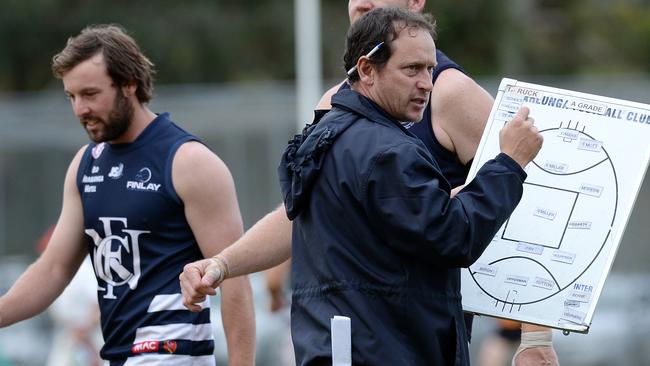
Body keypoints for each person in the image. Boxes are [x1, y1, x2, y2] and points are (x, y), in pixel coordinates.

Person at [182, 7, 543, 365]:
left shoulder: (449, 94)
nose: (426, 83)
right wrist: (224, 262)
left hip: (352, 338)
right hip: (386, 341)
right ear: (366, 69)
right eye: (412, 69)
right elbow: (304, 216)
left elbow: (536, 203)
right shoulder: (349, 122)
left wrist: (536, 335)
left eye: (428, 69)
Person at [0, 24, 255, 365]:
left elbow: (236, 284)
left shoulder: (188, 162)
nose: (79, 109)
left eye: (90, 94)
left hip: (172, 355)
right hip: (115, 356)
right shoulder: (85, 164)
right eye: (71, 97)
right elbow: (54, 270)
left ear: (129, 84)